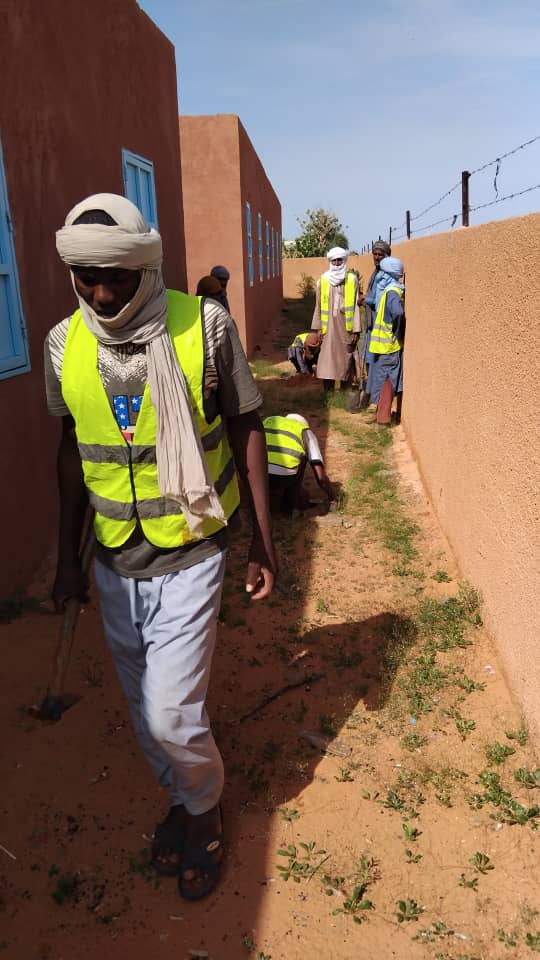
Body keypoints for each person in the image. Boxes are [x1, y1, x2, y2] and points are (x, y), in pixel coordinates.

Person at [45, 194, 277, 901]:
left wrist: (264, 547)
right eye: (87, 277)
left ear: (146, 266)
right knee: (146, 704)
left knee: (171, 709)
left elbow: (246, 426)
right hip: (114, 556)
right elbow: (70, 451)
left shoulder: (203, 326)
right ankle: (182, 791)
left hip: (192, 546)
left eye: (116, 275)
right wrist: (66, 557)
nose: (103, 291)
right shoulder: (63, 343)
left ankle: (204, 811)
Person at [311, 247, 360, 391]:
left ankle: (344, 392)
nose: (337, 263)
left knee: (345, 359)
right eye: (334, 260)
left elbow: (356, 306)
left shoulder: (352, 279)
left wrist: (356, 330)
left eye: (340, 260)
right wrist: (318, 327)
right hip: (328, 329)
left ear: (344, 260)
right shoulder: (323, 280)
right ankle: (328, 393)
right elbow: (318, 306)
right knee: (327, 361)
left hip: (346, 328)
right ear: (330, 261)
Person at [263, 413, 334, 511]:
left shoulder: (269, 420)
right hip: (285, 477)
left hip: (259, 476)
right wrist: (332, 497)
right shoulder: (304, 430)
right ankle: (293, 499)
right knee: (303, 457)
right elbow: (321, 476)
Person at [365, 256, 405, 424]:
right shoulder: (390, 291)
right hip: (384, 348)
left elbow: (398, 313)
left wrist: (397, 331)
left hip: (388, 347)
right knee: (382, 380)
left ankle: (383, 419)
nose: (379, 276)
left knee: (386, 382)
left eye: (383, 273)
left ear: (389, 275)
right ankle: (381, 416)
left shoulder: (391, 294)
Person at [357, 240, 391, 391]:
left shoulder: (385, 274)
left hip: (378, 323)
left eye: (380, 255)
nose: (377, 257)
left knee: (373, 358)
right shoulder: (376, 271)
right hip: (370, 323)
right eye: (375, 254)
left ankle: (373, 392)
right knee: (367, 358)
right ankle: (369, 390)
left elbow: (381, 299)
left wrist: (366, 299)